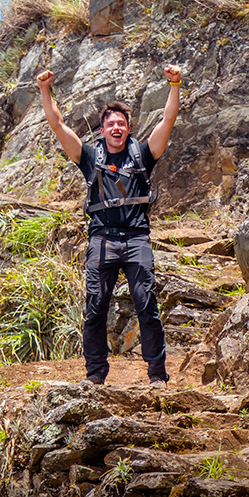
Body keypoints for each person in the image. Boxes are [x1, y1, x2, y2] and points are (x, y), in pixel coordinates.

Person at [36, 65, 182, 387]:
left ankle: (157, 375)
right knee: (95, 307)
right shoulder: (88, 157)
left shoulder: (143, 154)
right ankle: (95, 376)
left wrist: (174, 84)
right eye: (110, 124)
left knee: (147, 304)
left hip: (136, 240)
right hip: (102, 240)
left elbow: (167, 120)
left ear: (128, 129)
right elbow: (57, 125)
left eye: (121, 123)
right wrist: (46, 90)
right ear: (102, 131)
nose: (116, 127)